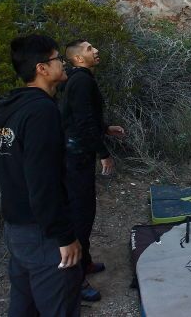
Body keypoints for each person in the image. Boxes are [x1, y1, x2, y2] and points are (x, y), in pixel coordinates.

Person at [0, 34, 82, 317]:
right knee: (59, 305)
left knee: (24, 307)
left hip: (16, 228)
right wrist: (64, 236)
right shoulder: (41, 112)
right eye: (57, 58)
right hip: (41, 233)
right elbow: (42, 181)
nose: (62, 63)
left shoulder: (13, 110)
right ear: (42, 69)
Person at [60, 40, 125, 302]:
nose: (96, 50)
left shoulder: (79, 79)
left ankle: (84, 261)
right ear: (77, 59)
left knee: (85, 210)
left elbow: (84, 115)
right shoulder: (82, 81)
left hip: (76, 153)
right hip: (76, 157)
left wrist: (106, 128)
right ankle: (75, 279)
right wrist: (104, 153)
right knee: (81, 214)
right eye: (88, 49)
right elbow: (83, 122)